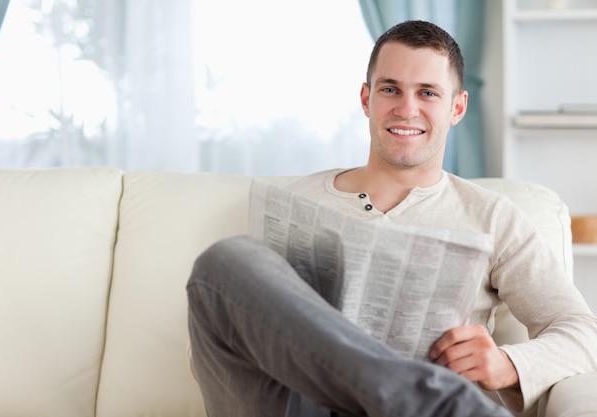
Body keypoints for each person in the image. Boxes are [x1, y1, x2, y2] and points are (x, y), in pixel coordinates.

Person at [186, 20, 597, 417]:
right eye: (390, 89)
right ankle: (428, 397)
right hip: (298, 407)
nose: (406, 109)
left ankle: (420, 400)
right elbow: (226, 337)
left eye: (428, 93)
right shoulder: (295, 203)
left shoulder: (492, 216)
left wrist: (507, 363)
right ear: (366, 99)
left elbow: (582, 332)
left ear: (457, 107)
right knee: (221, 264)